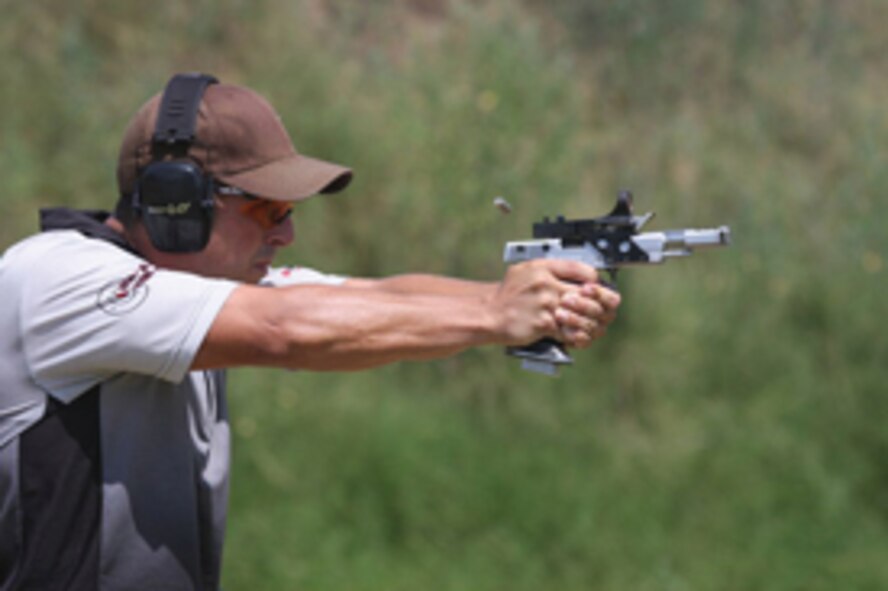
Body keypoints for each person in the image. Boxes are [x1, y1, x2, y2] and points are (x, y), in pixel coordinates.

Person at [0, 73, 620, 590]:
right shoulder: (58, 277)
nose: (286, 233)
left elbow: (371, 298)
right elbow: (286, 329)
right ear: (175, 204)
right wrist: (493, 312)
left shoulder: (208, 292)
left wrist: (526, 299)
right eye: (266, 210)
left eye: (288, 212)